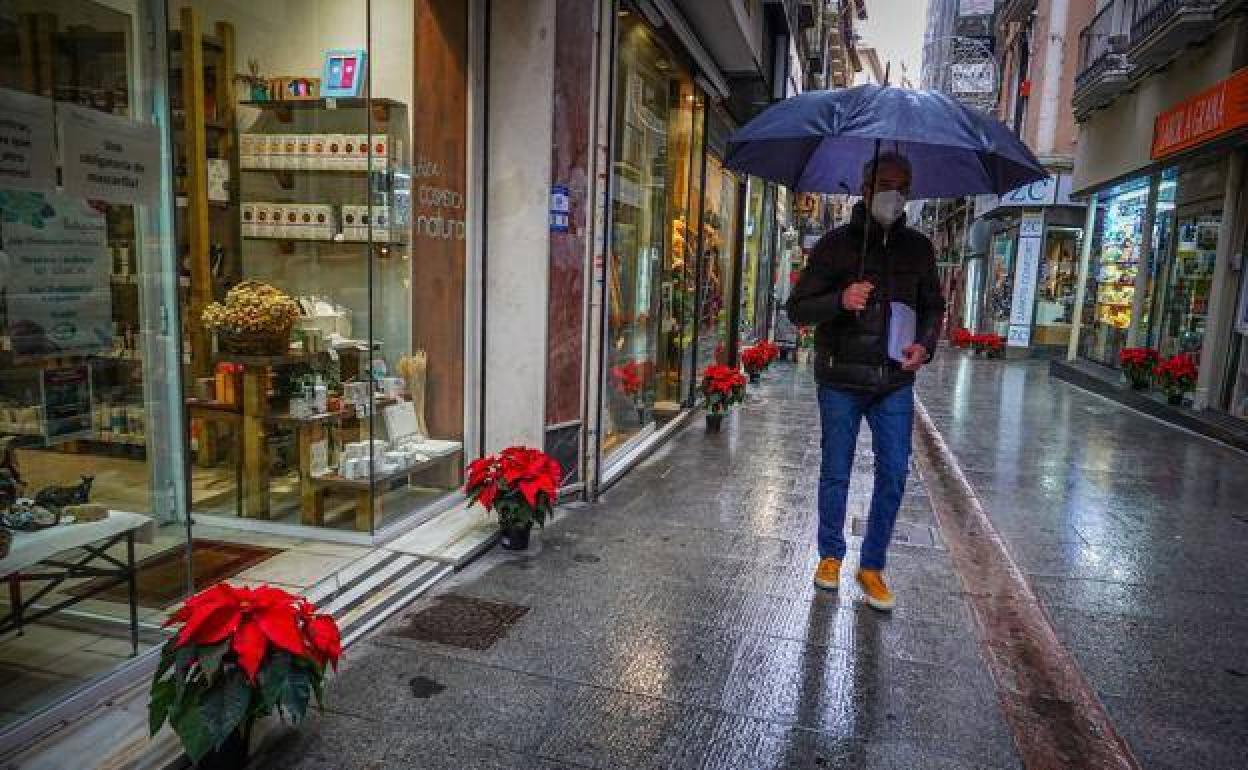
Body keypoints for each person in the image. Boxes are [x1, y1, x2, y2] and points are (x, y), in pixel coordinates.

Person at [785, 152, 946, 611]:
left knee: (894, 473)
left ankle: (872, 564)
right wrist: (841, 297)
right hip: (840, 377)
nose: (891, 193)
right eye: (883, 183)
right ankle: (831, 556)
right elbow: (797, 309)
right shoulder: (835, 245)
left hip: (894, 381)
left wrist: (926, 345)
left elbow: (934, 307)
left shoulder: (920, 249)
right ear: (865, 186)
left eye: (900, 185)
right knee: (836, 470)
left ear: (909, 191)